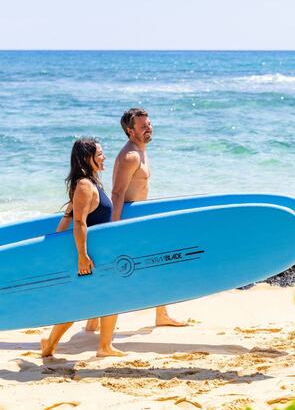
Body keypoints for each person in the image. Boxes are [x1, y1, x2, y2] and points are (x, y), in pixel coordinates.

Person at [85, 108, 187, 332]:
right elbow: (117, 193)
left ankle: (94, 321)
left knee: (148, 264)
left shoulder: (141, 150)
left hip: (138, 218)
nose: (148, 128)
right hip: (128, 220)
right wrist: (116, 226)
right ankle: (95, 320)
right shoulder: (130, 156)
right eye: (143, 126)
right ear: (130, 131)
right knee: (147, 264)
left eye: (149, 124)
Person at [41, 138, 125, 358]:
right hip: (91, 254)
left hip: (99, 253)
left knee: (108, 296)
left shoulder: (90, 183)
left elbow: (68, 215)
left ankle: (104, 346)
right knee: (79, 302)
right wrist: (82, 255)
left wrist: (58, 239)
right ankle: (50, 344)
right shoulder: (85, 186)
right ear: (87, 158)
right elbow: (79, 221)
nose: (103, 156)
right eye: (99, 153)